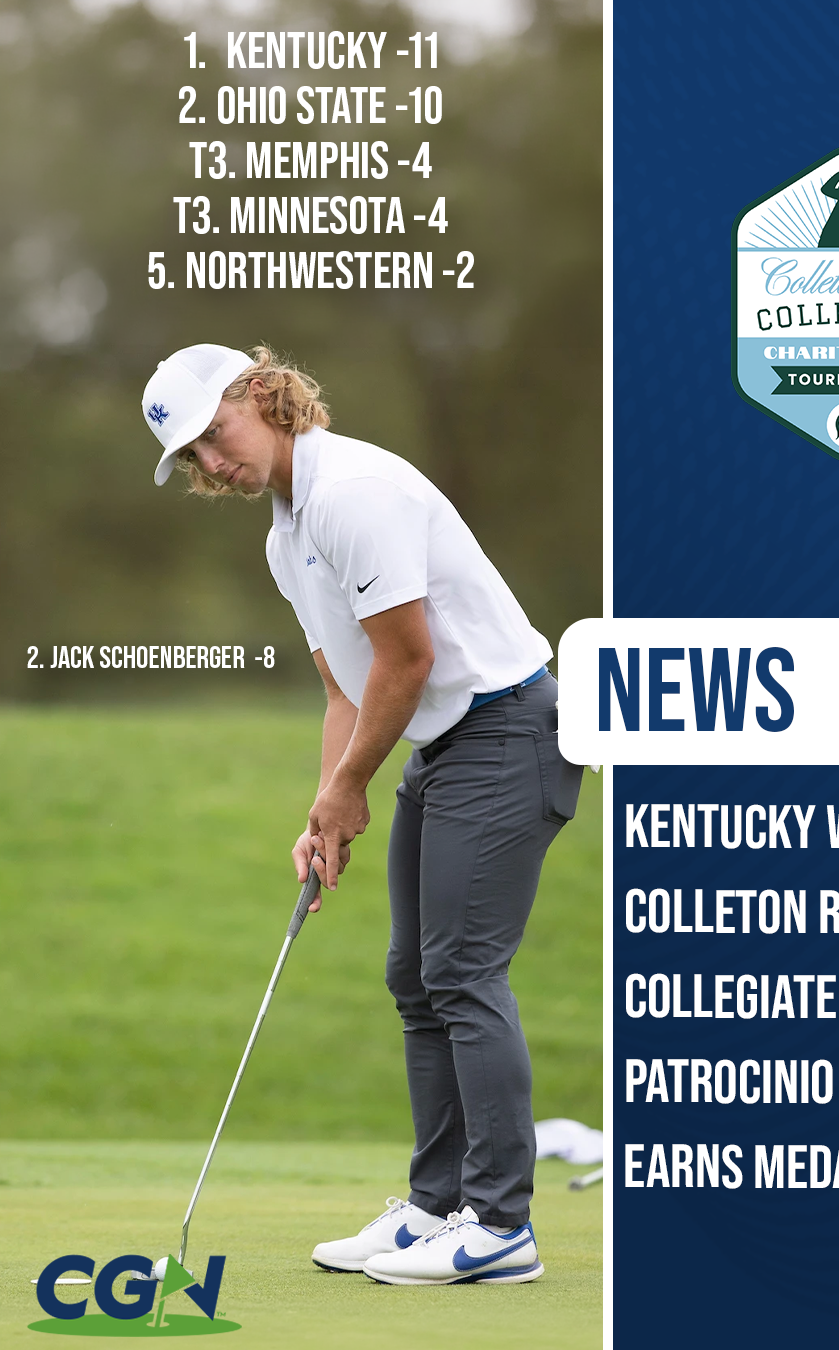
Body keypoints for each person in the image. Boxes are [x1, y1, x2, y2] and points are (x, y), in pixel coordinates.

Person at [141, 344, 583, 1285]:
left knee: (463, 973)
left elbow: (409, 660)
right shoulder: (285, 534)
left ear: (261, 395)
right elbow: (348, 684)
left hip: (509, 730)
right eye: (196, 457)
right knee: (415, 979)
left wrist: (352, 788)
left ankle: (501, 1226)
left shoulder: (353, 491)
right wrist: (325, 805)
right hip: (449, 741)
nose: (214, 463)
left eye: (215, 434)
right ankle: (436, 1209)